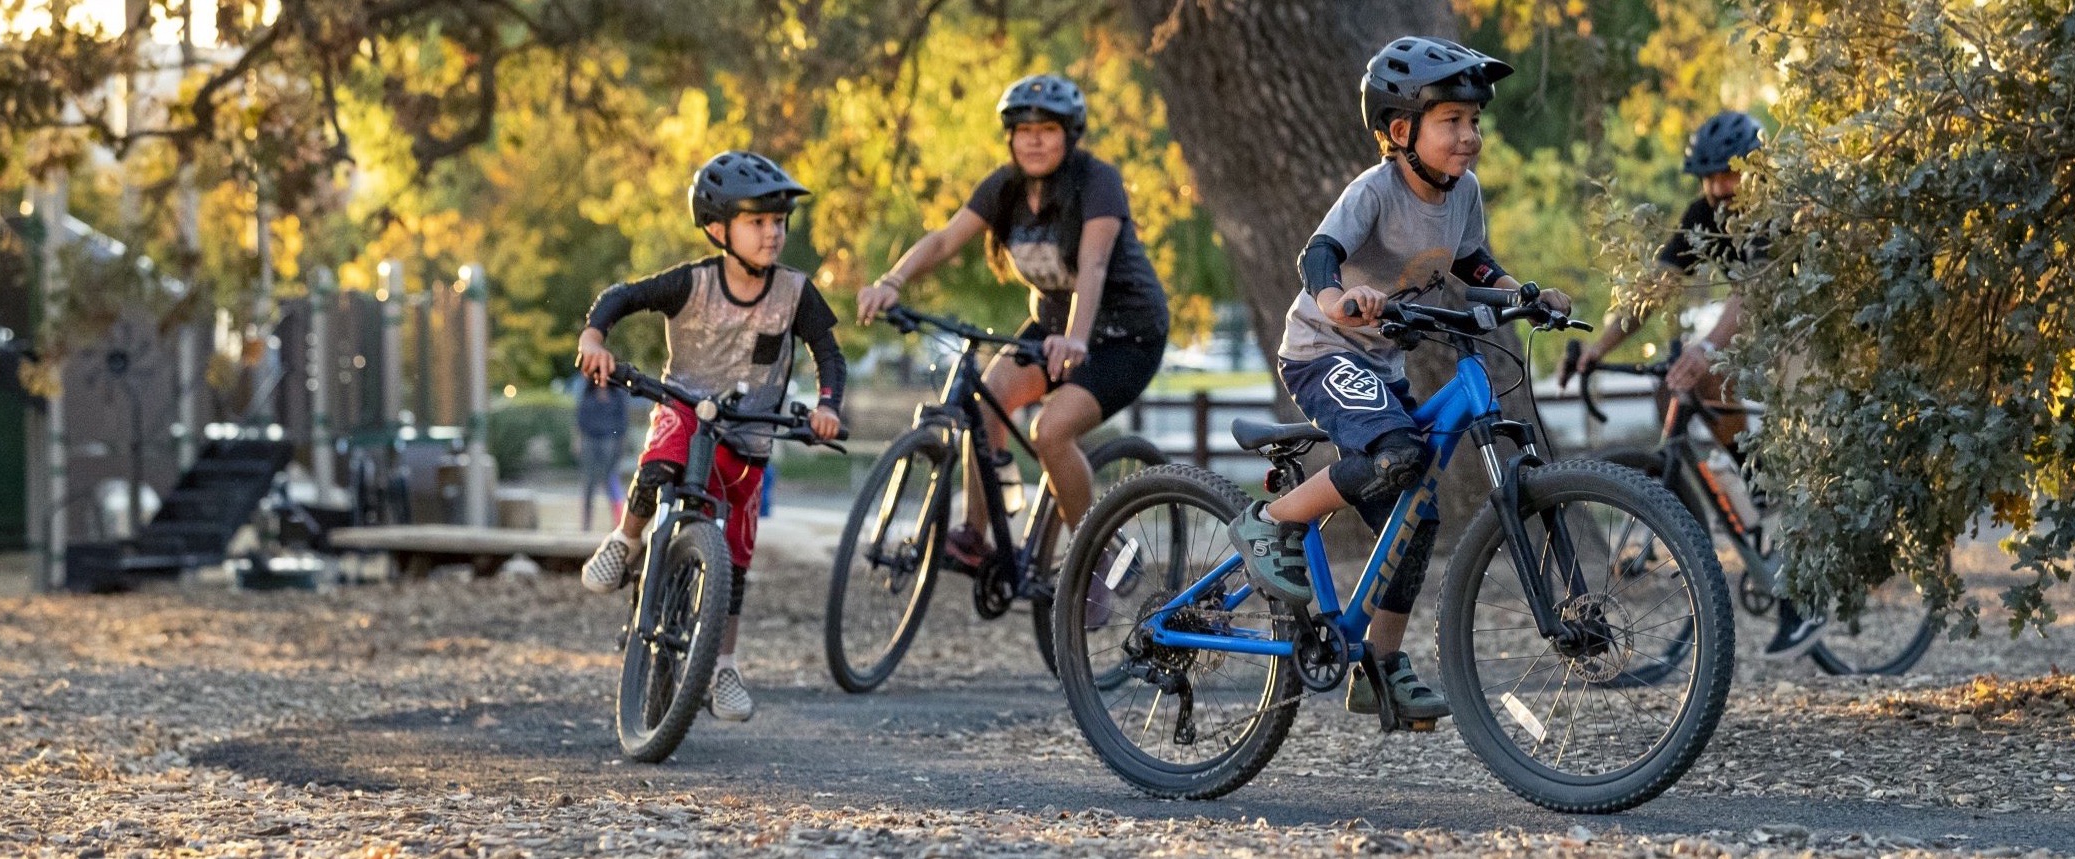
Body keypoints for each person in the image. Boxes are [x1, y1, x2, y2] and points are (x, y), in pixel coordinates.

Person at [1232, 36, 1570, 727]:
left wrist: (1523, 294)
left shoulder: (1462, 193)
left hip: (1380, 363)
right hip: (1323, 351)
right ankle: (1270, 520)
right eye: (1452, 121)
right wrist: (1334, 300)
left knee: (1417, 512)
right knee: (1396, 454)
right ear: (1398, 131)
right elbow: (1318, 254)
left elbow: (1471, 264)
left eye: (1474, 121)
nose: (1469, 136)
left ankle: (1378, 667)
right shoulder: (1374, 190)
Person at [573, 150, 848, 721]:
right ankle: (626, 539)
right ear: (719, 229)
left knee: (737, 562)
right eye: (757, 222)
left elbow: (829, 355)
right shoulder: (691, 283)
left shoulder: (796, 293)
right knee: (658, 465)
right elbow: (621, 297)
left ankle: (722, 664)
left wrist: (827, 406)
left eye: (778, 223)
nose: (772, 234)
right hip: (686, 413)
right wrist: (596, 337)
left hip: (750, 439)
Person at [854, 73, 1170, 565]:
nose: (1035, 139)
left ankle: (1097, 559)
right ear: (1011, 138)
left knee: (1051, 431)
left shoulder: (1097, 182)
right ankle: (977, 534)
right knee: (984, 401)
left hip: (1126, 335)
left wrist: (1076, 340)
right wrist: (891, 282)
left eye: (1047, 128)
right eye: (1024, 131)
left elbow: (1094, 265)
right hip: (1051, 329)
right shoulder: (1005, 188)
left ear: (1070, 134)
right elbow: (942, 239)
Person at [1559, 109, 1822, 657]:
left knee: (1802, 450)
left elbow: (1748, 297)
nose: (1718, 188)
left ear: (1754, 170)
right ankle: (1748, 482)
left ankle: (1803, 594)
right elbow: (1655, 289)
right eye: (1709, 177)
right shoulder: (1703, 213)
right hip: (1756, 337)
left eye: (1728, 174)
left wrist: (1704, 351)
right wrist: (1596, 351)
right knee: (1673, 389)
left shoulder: (1772, 213)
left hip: (1810, 331)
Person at [575, 377, 630, 531]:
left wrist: (621, 442)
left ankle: (618, 524)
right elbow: (580, 416)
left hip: (609, 440)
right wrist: (578, 439)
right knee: (588, 484)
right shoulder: (588, 392)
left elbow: (623, 420)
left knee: (611, 481)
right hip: (590, 439)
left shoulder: (617, 394)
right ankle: (586, 524)